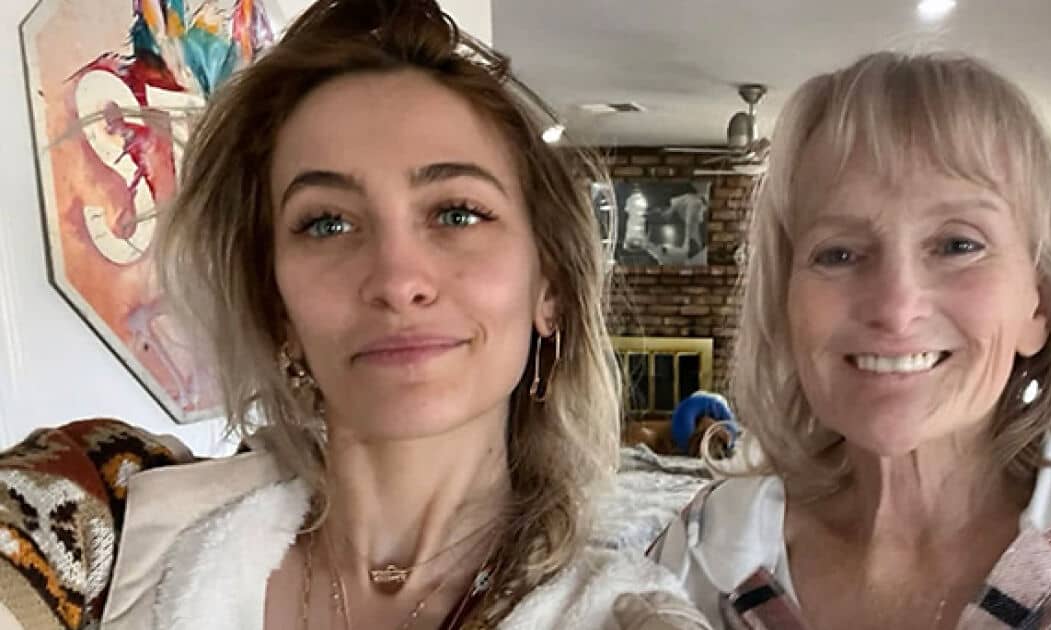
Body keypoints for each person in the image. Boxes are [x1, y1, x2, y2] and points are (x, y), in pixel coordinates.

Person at [0, 2, 710, 629]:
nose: (397, 280)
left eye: (457, 213)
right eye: (327, 223)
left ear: (548, 286)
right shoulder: (112, 509)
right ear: (277, 305)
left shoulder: (625, 618)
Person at [650, 51, 1051, 630]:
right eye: (838, 253)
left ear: (1039, 304)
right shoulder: (699, 560)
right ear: (785, 305)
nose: (894, 307)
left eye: (959, 245)